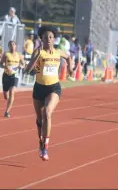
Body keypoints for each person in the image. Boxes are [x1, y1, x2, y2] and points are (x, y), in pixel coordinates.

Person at [25, 26, 74, 161]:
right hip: (39, 89)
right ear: (41, 39)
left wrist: (70, 68)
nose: (48, 39)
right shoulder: (38, 52)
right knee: (40, 120)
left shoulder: (59, 52)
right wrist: (32, 64)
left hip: (54, 88)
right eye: (45, 37)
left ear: (54, 39)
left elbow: (69, 57)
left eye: (51, 37)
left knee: (47, 112)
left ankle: (45, 147)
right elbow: (27, 70)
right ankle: (41, 143)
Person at [0, 41, 24, 117]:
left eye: (13, 44)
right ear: (8, 47)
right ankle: (6, 96)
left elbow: (23, 64)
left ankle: (7, 111)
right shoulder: (6, 54)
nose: (12, 46)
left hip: (15, 75)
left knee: (12, 92)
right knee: (5, 94)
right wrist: (5, 67)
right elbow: (0, 64)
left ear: (16, 46)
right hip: (6, 75)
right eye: (10, 45)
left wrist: (21, 66)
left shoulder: (19, 55)